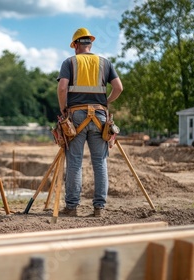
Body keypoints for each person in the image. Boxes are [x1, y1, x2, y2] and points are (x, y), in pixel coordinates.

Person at [56, 27, 123, 217]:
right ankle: (99, 208)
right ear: (90, 44)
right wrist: (105, 102)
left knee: (75, 162)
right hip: (100, 117)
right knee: (100, 163)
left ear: (76, 45)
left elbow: (62, 88)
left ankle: (72, 207)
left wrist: (63, 109)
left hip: (76, 117)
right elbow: (119, 87)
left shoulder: (69, 62)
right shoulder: (105, 63)